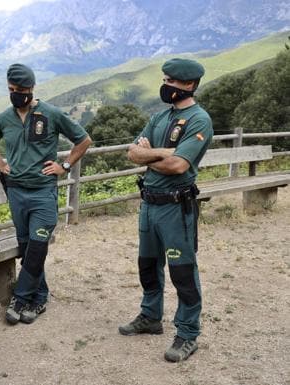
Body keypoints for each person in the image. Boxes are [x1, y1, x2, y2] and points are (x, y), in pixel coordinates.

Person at [0, 63, 92, 325]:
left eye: (20, 89)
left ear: (31, 89)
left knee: (38, 245)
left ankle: (20, 298)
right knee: (27, 247)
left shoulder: (51, 114)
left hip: (43, 192)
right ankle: (40, 297)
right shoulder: (3, 119)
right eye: (11, 89)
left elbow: (84, 140)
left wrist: (64, 166)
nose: (16, 93)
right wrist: (1, 165)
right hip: (16, 192)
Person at [120, 58, 213, 362]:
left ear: (189, 85)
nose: (166, 85)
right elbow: (132, 152)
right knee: (148, 265)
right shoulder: (159, 117)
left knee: (182, 271)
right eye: (165, 79)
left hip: (176, 207)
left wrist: (150, 155)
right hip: (149, 204)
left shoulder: (199, 120)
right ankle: (150, 317)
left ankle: (187, 334)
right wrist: (160, 152)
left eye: (172, 81)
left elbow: (178, 165)